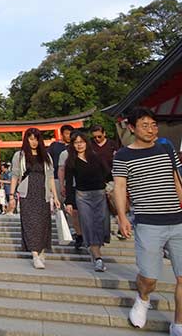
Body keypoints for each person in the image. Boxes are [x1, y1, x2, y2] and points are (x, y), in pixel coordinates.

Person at [113, 107, 182, 334]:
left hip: (177, 220)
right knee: (150, 278)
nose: (151, 130)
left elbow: (177, 179)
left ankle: (178, 324)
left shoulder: (166, 148)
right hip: (148, 222)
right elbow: (120, 187)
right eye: (145, 125)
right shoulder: (123, 155)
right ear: (132, 128)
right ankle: (143, 298)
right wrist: (122, 217)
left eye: (154, 125)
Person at [9, 128, 61, 269]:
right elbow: (15, 175)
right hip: (27, 192)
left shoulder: (46, 156)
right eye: (31, 139)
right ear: (26, 139)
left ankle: (41, 250)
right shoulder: (19, 156)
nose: (34, 142)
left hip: (43, 192)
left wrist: (55, 197)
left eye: (36, 139)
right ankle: (35, 255)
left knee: (43, 223)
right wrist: (11, 195)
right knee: (30, 223)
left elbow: (50, 178)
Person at [64, 131, 109, 272]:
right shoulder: (71, 161)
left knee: (101, 223)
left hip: (100, 194)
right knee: (88, 224)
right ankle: (97, 257)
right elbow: (69, 183)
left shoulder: (96, 157)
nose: (79, 145)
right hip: (82, 196)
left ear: (86, 143)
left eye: (81, 142)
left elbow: (108, 173)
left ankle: (97, 250)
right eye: (76, 143)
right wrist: (69, 202)